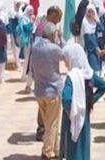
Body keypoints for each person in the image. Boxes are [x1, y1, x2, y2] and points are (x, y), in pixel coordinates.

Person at [60, 43, 105, 160]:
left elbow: (66, 99)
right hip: (85, 115)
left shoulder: (72, 77)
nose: (65, 62)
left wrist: (71, 111)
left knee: (73, 146)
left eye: (66, 58)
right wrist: (89, 101)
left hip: (71, 117)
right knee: (84, 146)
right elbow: (104, 86)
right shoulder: (89, 73)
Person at [31, 21, 64, 159]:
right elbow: (65, 54)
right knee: (53, 123)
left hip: (39, 91)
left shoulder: (35, 47)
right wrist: (60, 39)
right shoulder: (53, 48)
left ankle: (56, 150)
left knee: (49, 123)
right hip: (52, 91)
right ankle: (47, 152)